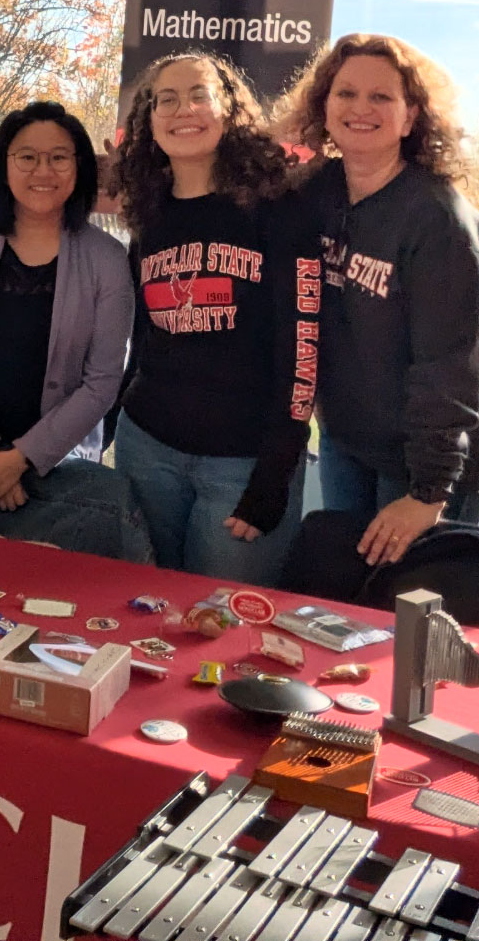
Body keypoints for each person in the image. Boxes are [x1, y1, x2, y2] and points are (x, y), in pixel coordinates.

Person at [281, 32, 479, 566]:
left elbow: (450, 368)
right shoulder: (316, 193)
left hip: (433, 460)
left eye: (381, 97)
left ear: (411, 117)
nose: (361, 109)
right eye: (346, 93)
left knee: (404, 614)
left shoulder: (439, 222)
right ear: (324, 106)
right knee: (348, 600)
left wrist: (429, 494)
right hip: (350, 441)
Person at [0, 103, 150, 561]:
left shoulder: (108, 259)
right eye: (27, 157)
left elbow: (102, 383)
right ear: (4, 164)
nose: (44, 170)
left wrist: (20, 460)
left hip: (63, 467)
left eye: (60, 157)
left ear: (79, 168)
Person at [110, 52, 320, 583]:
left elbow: (303, 345)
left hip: (242, 463)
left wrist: (276, 471)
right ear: (148, 120)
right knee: (148, 611)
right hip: (148, 450)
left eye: (199, 94)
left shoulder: (276, 209)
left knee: (222, 631)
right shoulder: (150, 213)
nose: (184, 110)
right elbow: (143, 337)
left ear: (229, 108)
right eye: (167, 99)